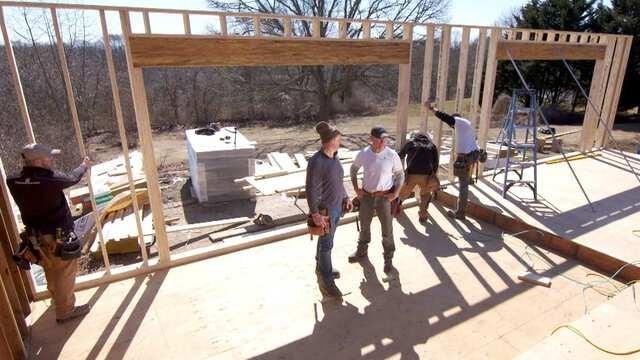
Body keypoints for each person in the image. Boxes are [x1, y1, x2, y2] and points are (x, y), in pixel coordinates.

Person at [6, 143, 92, 323]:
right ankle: (66, 310)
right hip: (56, 234)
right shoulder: (47, 180)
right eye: (48, 157)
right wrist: (84, 165)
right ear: (37, 161)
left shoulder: (13, 181)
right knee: (64, 270)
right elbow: (72, 178)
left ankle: (57, 300)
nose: (52, 159)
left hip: (35, 236)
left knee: (50, 268)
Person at [348, 126, 404, 273]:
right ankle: (362, 251)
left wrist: (396, 193)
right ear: (372, 139)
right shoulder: (364, 154)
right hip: (366, 196)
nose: (384, 142)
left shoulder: (392, 155)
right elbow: (353, 169)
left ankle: (388, 258)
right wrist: (356, 188)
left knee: (387, 230)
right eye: (380, 139)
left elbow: (400, 174)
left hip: (385, 198)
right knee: (364, 226)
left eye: (385, 139)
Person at [306, 122, 352, 298]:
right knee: (327, 244)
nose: (340, 142)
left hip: (336, 209)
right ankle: (327, 281)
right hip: (325, 211)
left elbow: (338, 182)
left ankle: (322, 266)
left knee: (326, 242)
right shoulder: (317, 161)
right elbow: (310, 188)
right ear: (330, 140)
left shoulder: (334, 157)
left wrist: (346, 197)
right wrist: (315, 213)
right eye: (338, 139)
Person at [427, 103, 480, 220]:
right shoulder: (467, 126)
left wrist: (433, 109)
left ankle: (460, 213)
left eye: (452, 125)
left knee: (463, 186)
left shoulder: (460, 122)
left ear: (455, 120)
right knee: (465, 182)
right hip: (472, 155)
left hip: (466, 157)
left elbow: (445, 117)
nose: (452, 127)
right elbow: (475, 143)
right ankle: (468, 179)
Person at [397, 131, 440, 223]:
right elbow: (436, 163)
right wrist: (433, 175)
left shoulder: (410, 143)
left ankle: (396, 208)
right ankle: (423, 215)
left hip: (411, 174)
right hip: (427, 175)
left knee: (403, 193)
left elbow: (400, 155)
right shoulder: (432, 146)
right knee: (425, 195)